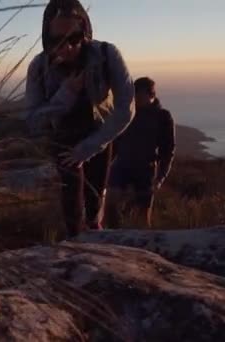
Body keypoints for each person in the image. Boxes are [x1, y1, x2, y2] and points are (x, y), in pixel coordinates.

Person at [25, 0, 135, 238]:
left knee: (95, 196)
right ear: (46, 37)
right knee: (72, 203)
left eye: (74, 37)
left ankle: (95, 230)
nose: (68, 47)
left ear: (85, 31)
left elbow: (126, 109)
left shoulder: (107, 55)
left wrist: (88, 148)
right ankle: (77, 243)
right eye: (57, 40)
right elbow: (33, 121)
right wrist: (67, 93)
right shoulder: (38, 66)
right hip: (62, 137)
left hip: (99, 135)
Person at [105, 77, 176, 228]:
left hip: (145, 168)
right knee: (110, 201)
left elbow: (167, 150)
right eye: (134, 94)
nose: (136, 98)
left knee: (142, 214)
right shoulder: (127, 113)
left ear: (151, 95)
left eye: (139, 94)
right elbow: (115, 141)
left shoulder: (162, 116)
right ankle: (112, 236)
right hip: (122, 165)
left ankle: (142, 244)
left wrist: (161, 177)